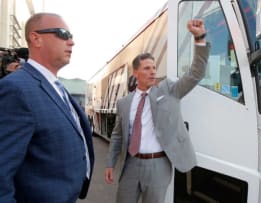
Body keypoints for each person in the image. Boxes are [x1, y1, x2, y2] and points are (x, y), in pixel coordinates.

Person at [105, 19, 210, 203]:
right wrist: (110, 163)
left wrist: (199, 38)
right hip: (130, 164)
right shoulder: (123, 103)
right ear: (135, 73)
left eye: (154, 67)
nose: (153, 72)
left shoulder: (169, 90)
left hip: (158, 165)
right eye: (147, 68)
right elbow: (117, 136)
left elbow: (196, 73)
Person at [0, 13, 94, 203]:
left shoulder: (55, 86)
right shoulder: (16, 89)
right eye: (63, 34)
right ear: (36, 39)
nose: (71, 42)